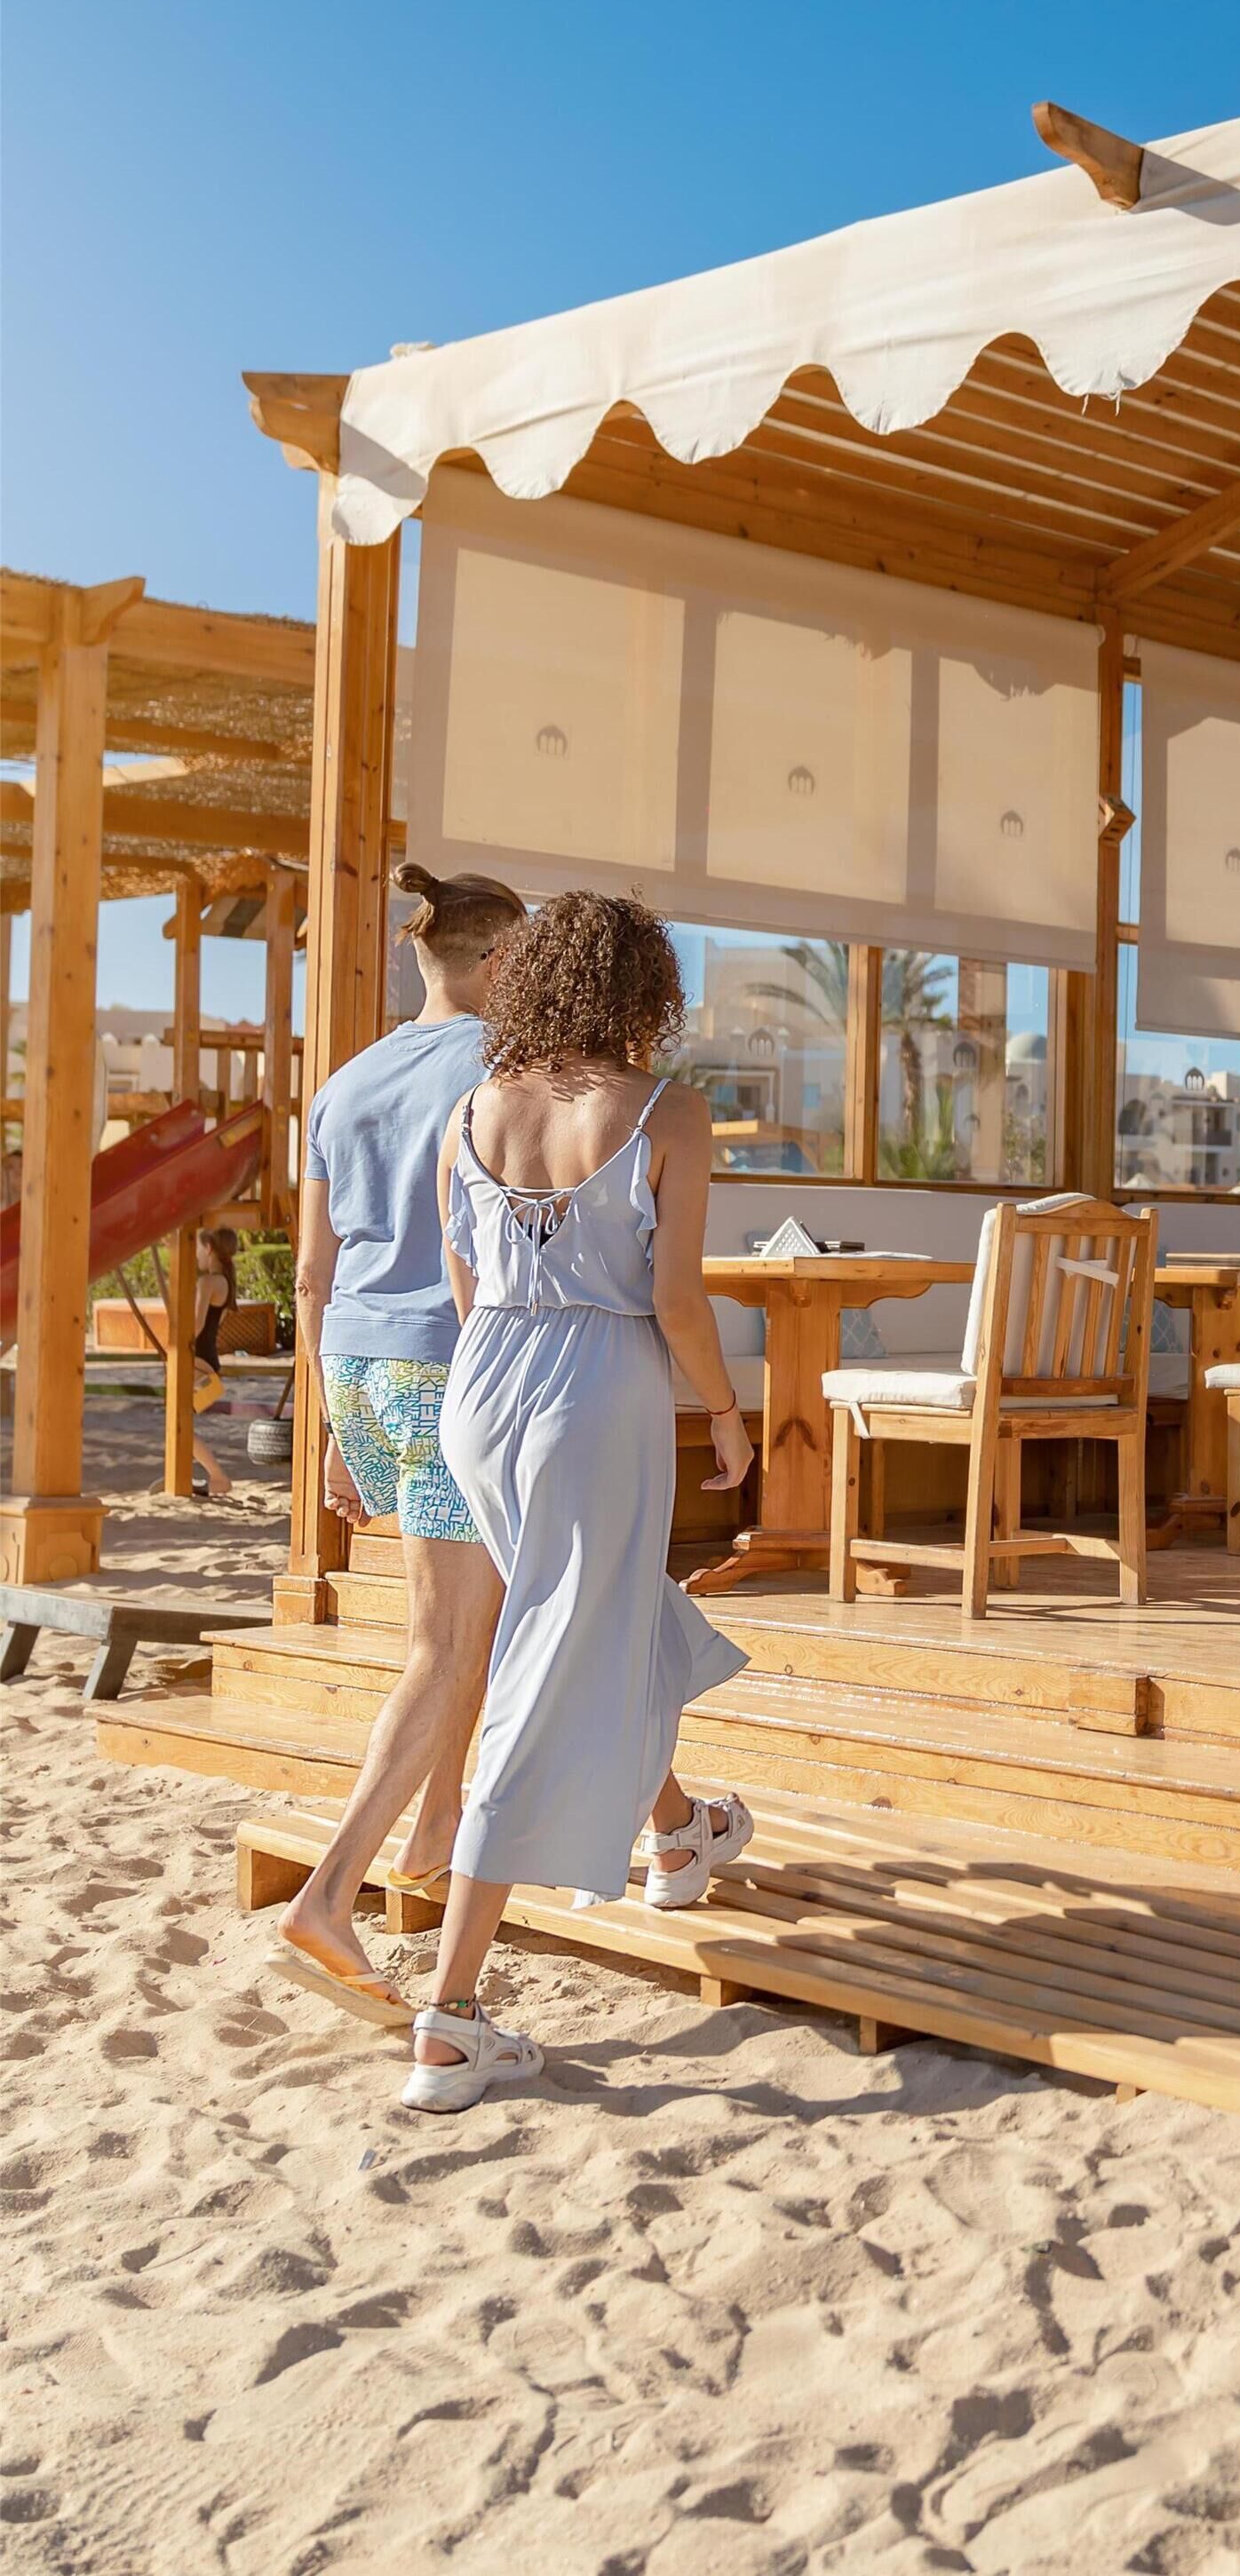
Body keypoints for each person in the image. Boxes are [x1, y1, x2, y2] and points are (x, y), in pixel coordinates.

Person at [403, 891, 756, 2112]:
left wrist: (501, 1387)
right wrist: (722, 1408)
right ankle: (450, 2010)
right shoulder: (667, 1110)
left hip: (482, 1382)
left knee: (585, 1608)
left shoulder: (472, 1107)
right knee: (552, 1649)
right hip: (597, 1382)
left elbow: (459, 1269)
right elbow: (678, 1302)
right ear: (642, 989)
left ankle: (677, 1831)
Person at [266, 866, 528, 2023]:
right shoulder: (496, 1069)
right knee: (443, 1640)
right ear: (500, 959)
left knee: (473, 1622)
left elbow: (311, 1271)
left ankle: (433, 1833)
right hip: (443, 1358)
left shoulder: (346, 1080)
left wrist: (328, 1418)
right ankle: (330, 1893)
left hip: (360, 1364)